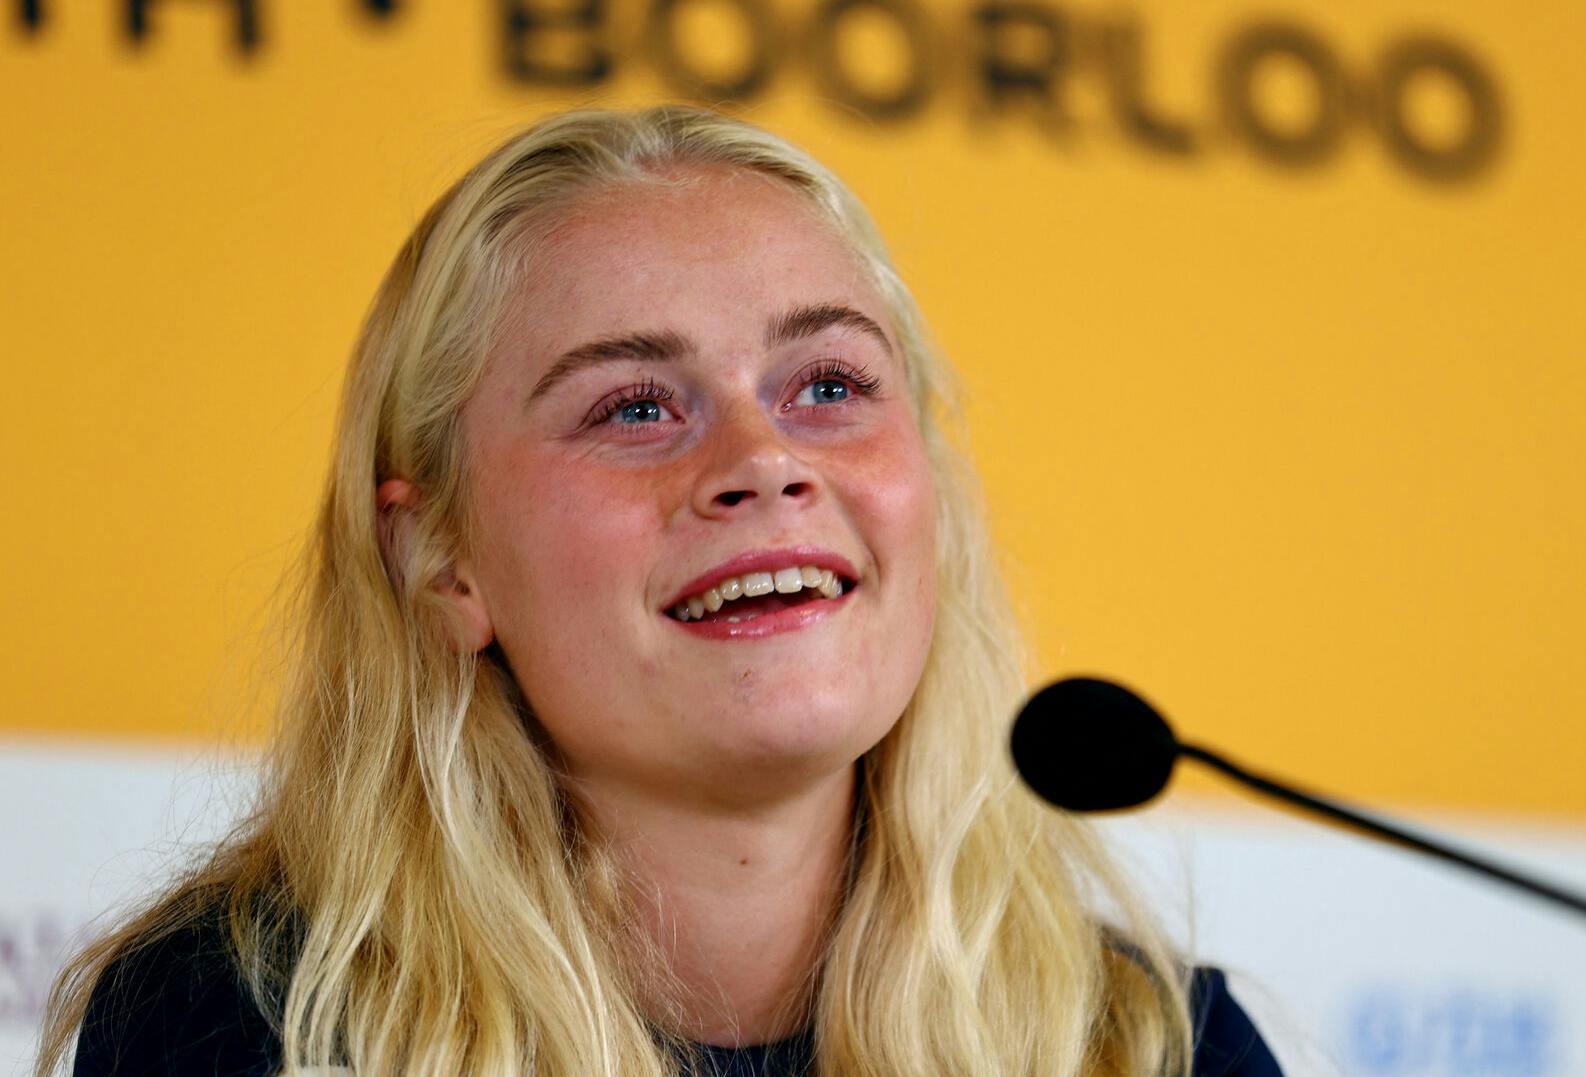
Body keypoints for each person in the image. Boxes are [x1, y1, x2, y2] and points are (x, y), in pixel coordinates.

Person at [37, 105, 1285, 1077]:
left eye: (831, 385)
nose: (762, 462)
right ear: (443, 565)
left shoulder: (1147, 1044)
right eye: (634, 407)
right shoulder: (239, 1025)